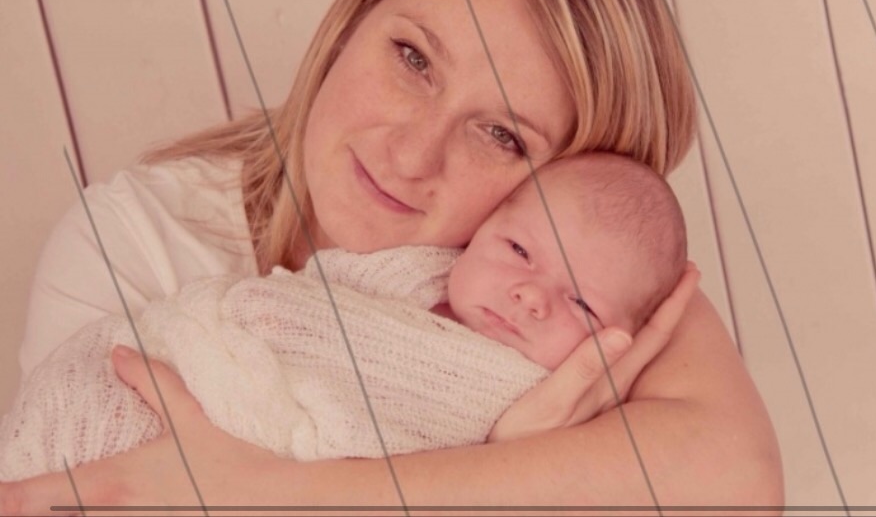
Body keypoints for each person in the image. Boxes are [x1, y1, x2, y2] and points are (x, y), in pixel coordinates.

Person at [2, 0, 782, 513]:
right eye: (412, 57)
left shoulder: (559, 285)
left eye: (501, 135)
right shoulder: (139, 237)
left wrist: (280, 496)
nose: (410, 154)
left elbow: (738, 484)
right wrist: (511, 474)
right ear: (353, 19)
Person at [0, 153, 687, 481]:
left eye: (582, 303)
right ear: (483, 229)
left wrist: (510, 452)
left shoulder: (540, 398)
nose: (532, 296)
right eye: (518, 251)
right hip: (201, 356)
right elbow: (317, 295)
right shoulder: (417, 268)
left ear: (615, 342)